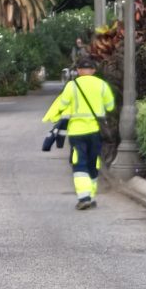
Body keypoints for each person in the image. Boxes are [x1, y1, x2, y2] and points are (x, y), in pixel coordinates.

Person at [42, 53, 115, 210]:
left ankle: (84, 197)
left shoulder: (72, 86)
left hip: (77, 132)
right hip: (96, 131)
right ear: (93, 70)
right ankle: (91, 196)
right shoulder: (102, 85)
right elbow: (110, 106)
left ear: (79, 70)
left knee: (79, 162)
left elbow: (63, 104)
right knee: (93, 162)